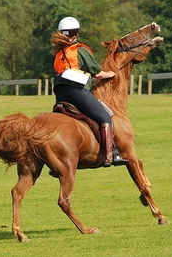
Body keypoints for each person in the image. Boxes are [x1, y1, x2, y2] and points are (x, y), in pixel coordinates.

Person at [50, 16, 128, 167]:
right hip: (76, 91)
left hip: (60, 94)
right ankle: (110, 156)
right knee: (105, 117)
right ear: (76, 34)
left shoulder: (59, 54)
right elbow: (97, 73)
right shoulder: (80, 50)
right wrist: (110, 74)